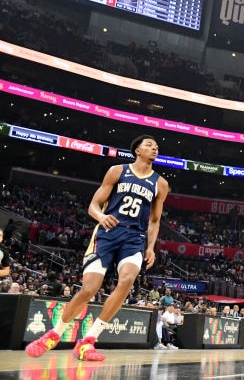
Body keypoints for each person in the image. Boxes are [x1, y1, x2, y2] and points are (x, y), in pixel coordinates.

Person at [25, 134, 169, 361]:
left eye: (156, 146)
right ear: (137, 150)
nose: (154, 148)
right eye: (149, 145)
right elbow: (93, 205)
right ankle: (54, 334)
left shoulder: (160, 183)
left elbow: (154, 220)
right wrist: (102, 216)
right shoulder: (117, 171)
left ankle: (89, 340)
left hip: (134, 238)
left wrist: (151, 247)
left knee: (127, 280)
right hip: (107, 233)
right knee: (90, 289)